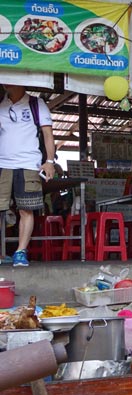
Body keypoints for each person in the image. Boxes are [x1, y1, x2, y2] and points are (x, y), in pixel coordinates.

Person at [0, 85, 55, 267]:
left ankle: (20, 252)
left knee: (26, 209)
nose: (7, 83)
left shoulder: (36, 104)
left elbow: (48, 134)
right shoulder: (1, 104)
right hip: (3, 164)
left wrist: (49, 161)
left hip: (28, 164)